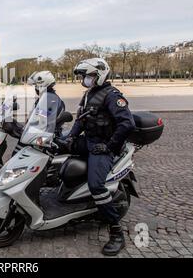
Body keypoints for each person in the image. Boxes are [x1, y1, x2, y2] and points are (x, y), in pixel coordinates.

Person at [58, 58, 136, 256]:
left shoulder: (112, 96)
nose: (85, 80)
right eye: (84, 77)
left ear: (100, 74)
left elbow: (127, 124)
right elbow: (81, 120)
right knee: (52, 148)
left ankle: (117, 233)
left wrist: (109, 146)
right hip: (89, 140)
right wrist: (71, 138)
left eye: (88, 76)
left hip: (104, 146)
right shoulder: (87, 95)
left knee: (96, 186)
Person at [11, 71, 65, 156]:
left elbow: (44, 121)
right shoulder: (43, 98)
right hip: (35, 135)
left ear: (43, 85)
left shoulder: (52, 100)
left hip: (47, 138)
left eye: (36, 86)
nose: (35, 88)